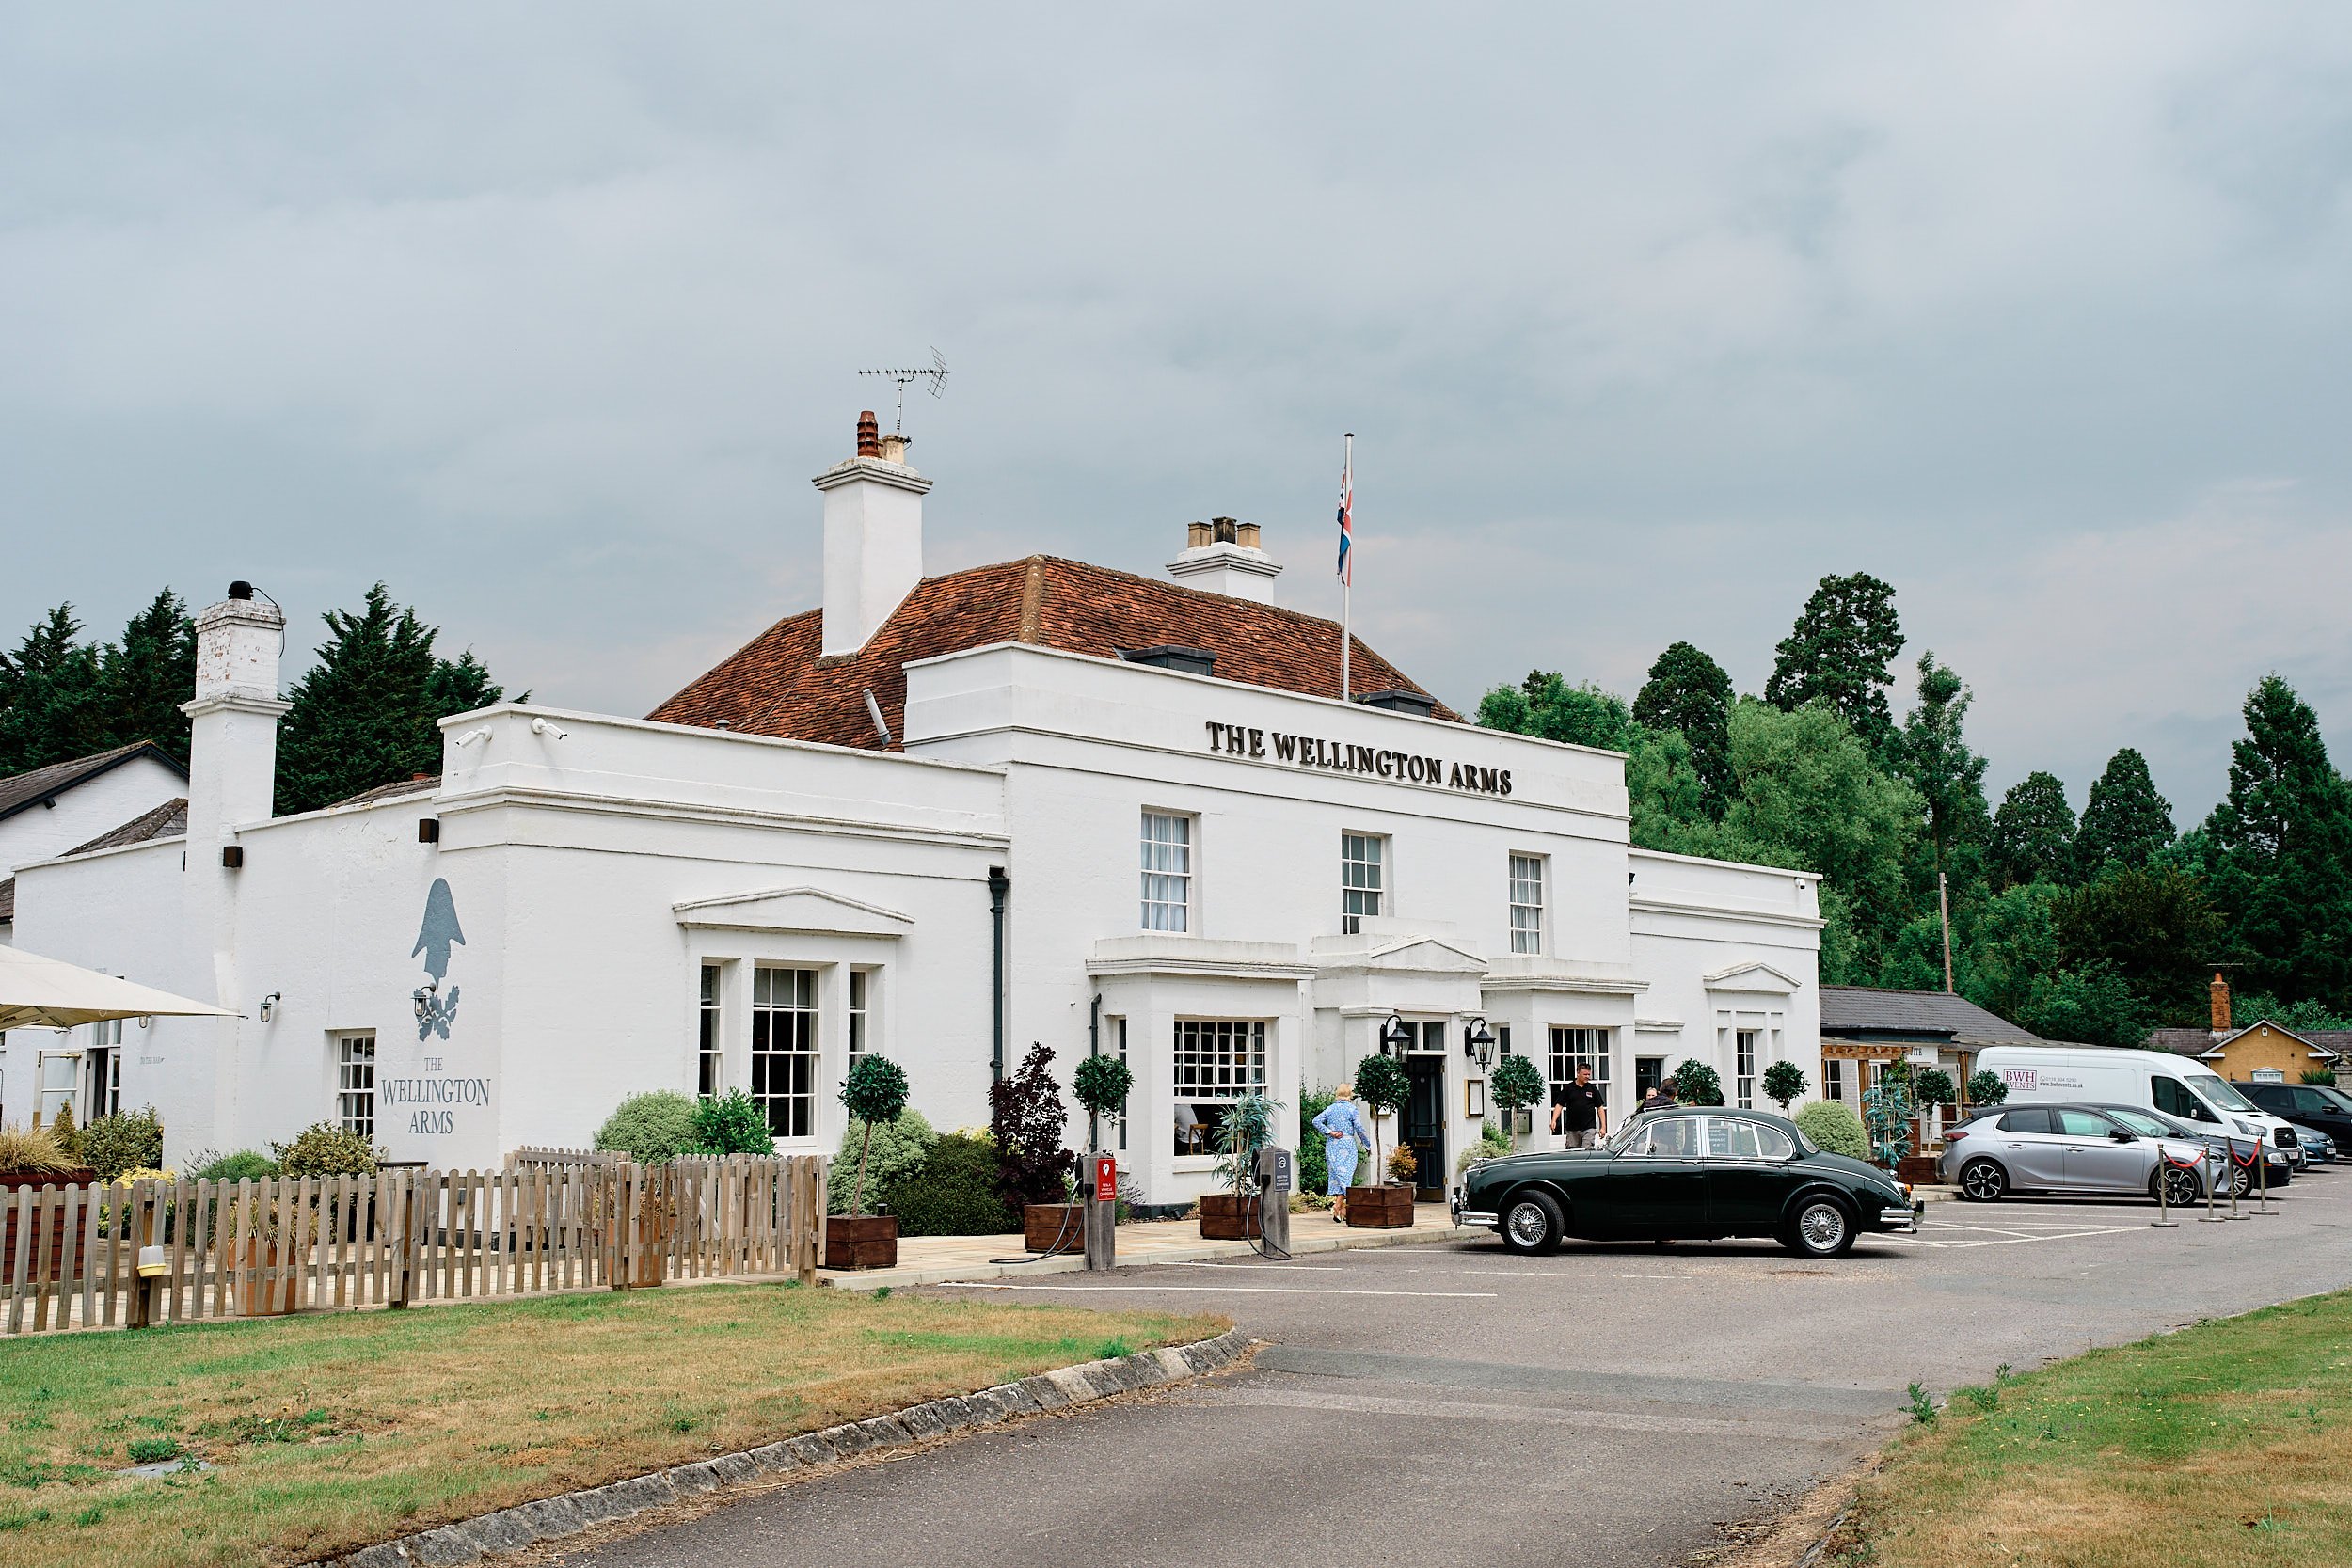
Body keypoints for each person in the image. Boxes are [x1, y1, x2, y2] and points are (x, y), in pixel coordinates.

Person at [1311, 1085, 1373, 1223]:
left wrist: (1330, 1132)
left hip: (1332, 1145)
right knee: (1346, 1176)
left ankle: (1341, 1211)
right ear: (1349, 1094)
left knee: (1337, 1176)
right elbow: (1359, 1128)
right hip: (1347, 1145)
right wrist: (1367, 1144)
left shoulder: (1330, 1109)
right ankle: (1337, 1206)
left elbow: (1316, 1121)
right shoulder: (1352, 1109)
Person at [1551, 1064, 1607, 1148]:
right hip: (1572, 1128)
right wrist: (1554, 1120)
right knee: (1573, 1154)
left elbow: (1600, 1108)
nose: (1587, 1076)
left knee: (1587, 1152)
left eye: (1589, 1074)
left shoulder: (1592, 1089)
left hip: (1589, 1127)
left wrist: (1603, 1127)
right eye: (1585, 1074)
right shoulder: (1568, 1088)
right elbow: (1559, 1105)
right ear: (1578, 1073)